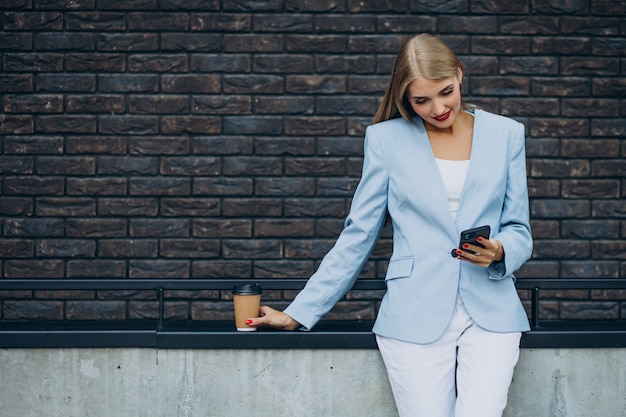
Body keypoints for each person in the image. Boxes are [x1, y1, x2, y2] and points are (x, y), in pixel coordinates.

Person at [246, 33, 532, 417]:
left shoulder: (506, 134)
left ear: (459, 75)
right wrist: (300, 312)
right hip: (413, 313)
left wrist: (500, 251)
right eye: (421, 100)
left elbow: (519, 229)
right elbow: (358, 235)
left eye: (446, 92)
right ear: (405, 98)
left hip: (493, 312)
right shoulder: (386, 140)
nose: (438, 107)